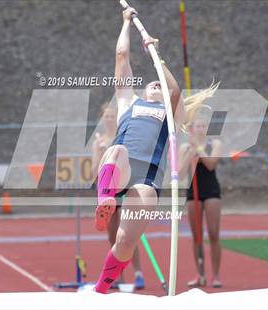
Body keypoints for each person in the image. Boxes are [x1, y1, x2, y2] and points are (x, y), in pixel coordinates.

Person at [92, 7, 215, 294]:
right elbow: (121, 58)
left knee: (125, 242)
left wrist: (157, 57)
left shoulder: (172, 115)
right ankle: (105, 202)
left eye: (159, 83)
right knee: (118, 150)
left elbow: (174, 92)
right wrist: (125, 23)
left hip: (146, 180)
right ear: (144, 90)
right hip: (119, 171)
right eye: (153, 82)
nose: (157, 84)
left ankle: (101, 288)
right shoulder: (128, 103)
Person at [91, 104, 145, 289]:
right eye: (106, 116)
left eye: (112, 115)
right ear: (102, 119)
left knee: (128, 234)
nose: (109, 119)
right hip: (108, 192)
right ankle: (117, 277)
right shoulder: (98, 142)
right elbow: (93, 172)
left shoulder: (125, 138)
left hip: (125, 188)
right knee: (113, 235)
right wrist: (100, 153)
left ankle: (138, 273)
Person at [178, 117, 222, 288]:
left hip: (211, 191)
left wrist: (198, 148)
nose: (201, 128)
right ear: (192, 128)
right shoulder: (185, 147)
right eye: (198, 125)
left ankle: (216, 275)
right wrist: (190, 153)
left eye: (204, 125)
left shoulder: (215, 144)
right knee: (197, 236)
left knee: (213, 234)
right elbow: (180, 174)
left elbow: (211, 164)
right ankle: (200, 274)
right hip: (192, 192)